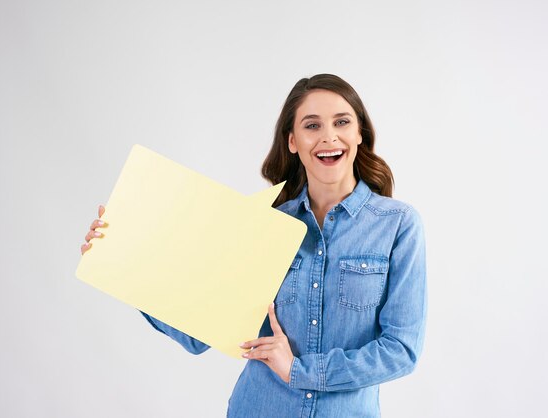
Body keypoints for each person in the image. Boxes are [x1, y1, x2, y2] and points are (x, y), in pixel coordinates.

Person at [80, 73, 427, 417]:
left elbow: (401, 350)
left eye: (341, 122)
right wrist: (119, 259)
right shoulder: (265, 224)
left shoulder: (398, 225)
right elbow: (198, 335)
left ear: (360, 133)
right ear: (292, 141)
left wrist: (301, 371)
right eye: (312, 125)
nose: (329, 137)